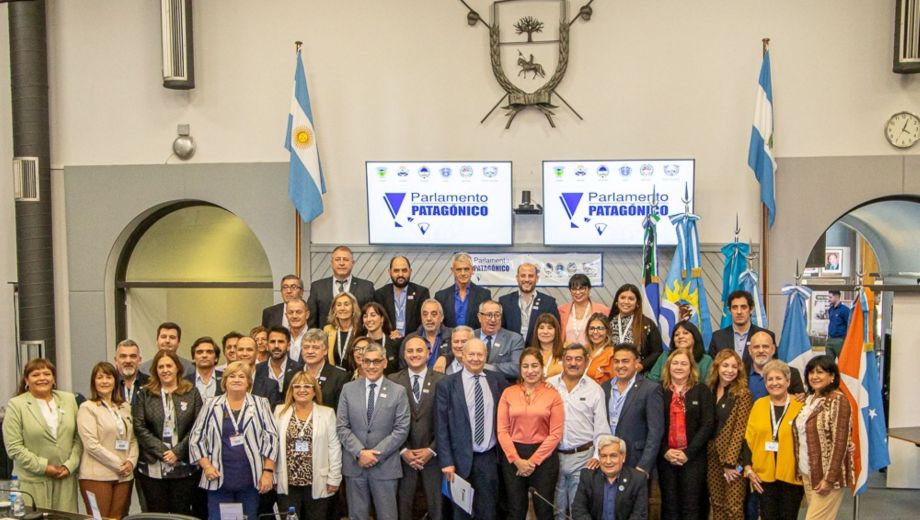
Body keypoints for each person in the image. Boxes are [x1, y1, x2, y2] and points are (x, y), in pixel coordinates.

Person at [189, 361, 278, 520]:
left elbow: (272, 438)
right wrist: (207, 466)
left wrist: (268, 472)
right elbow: (196, 438)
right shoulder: (211, 404)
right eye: (232, 376)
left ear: (248, 382)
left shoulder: (260, 403)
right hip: (218, 479)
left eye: (241, 376)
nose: (236, 379)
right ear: (225, 381)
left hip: (251, 480)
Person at [335, 343, 411, 520]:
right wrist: (360, 452)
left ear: (385, 363)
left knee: (387, 516)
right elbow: (342, 426)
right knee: (357, 516)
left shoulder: (398, 391)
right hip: (355, 465)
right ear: (361, 363)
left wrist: (375, 455)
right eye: (367, 361)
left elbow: (401, 429)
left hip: (385, 467)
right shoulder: (348, 389)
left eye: (376, 361)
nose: (371, 366)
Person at [436, 338, 509, 520]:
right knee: (460, 513)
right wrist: (446, 461)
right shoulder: (447, 384)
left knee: (488, 511)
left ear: (486, 356)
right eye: (471, 354)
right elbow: (441, 426)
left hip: (488, 459)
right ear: (462, 355)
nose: (475, 358)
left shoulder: (497, 381)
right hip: (458, 460)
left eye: (480, 354)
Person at [3, 358, 82, 511]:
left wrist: (69, 465)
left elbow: (79, 438)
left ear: (53, 379)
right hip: (31, 483)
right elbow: (14, 448)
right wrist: (44, 467)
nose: (42, 378)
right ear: (26, 379)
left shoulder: (69, 399)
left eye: (47, 374)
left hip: (65, 480)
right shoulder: (16, 405)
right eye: (35, 374)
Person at [132, 350, 203, 516]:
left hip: (184, 467)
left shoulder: (192, 393)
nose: (165, 370)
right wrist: (164, 452)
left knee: (182, 514)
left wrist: (177, 452)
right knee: (157, 515)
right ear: (155, 370)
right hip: (152, 467)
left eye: (169, 365)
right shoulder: (144, 393)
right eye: (160, 366)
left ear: (177, 367)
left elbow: (198, 427)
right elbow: (139, 427)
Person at [497, 347, 564, 520]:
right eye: (525, 366)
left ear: (542, 368)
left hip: (544, 457)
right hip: (513, 456)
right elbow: (502, 431)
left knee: (544, 509)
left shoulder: (553, 395)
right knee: (515, 509)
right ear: (520, 369)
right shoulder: (508, 393)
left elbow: (555, 433)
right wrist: (517, 460)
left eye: (535, 366)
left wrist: (532, 462)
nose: (530, 371)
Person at [547, 344, 609, 519]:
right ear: (562, 361)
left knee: (579, 510)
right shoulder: (549, 385)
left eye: (578, 359)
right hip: (553, 457)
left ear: (586, 361)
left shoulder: (595, 389)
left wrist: (597, 456)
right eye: (569, 359)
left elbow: (601, 427)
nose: (573, 363)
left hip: (583, 457)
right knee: (556, 509)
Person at [389, 336, 445, 520]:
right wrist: (403, 450)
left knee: (436, 509)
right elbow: (387, 421)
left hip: (433, 456)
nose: (415, 354)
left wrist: (432, 449)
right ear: (404, 355)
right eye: (410, 351)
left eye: (419, 350)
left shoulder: (442, 381)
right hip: (403, 456)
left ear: (429, 354)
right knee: (403, 508)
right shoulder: (392, 381)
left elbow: (447, 421)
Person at [792, 355, 854, 520]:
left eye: (820, 372)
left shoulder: (838, 400)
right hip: (807, 471)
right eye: (811, 372)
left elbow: (840, 443)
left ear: (832, 376)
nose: (815, 376)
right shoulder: (809, 400)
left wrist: (829, 479)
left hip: (826, 476)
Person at [275, 371, 342, 519]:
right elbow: (273, 446)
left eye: (307, 386)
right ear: (291, 391)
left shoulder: (327, 413)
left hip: (318, 481)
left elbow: (334, 448)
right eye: (297, 386)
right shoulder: (280, 412)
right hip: (288, 481)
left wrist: (334, 478)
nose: (302, 390)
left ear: (314, 391)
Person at [743, 359, 804, 520]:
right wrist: (748, 469)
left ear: (788, 381)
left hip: (792, 477)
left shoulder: (801, 407)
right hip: (763, 476)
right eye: (770, 379)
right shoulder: (758, 405)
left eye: (779, 378)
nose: (774, 383)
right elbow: (747, 441)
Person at [77, 362, 139, 520]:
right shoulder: (87, 408)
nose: (104, 381)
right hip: (97, 475)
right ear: (93, 382)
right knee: (99, 518)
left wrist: (131, 462)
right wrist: (118, 465)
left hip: (124, 475)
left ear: (115, 380)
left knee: (118, 517)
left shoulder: (124, 406)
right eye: (100, 377)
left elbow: (132, 439)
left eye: (108, 377)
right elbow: (91, 445)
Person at [657, 349, 714, 520]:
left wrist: (687, 453)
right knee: (669, 506)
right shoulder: (659, 391)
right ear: (668, 366)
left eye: (684, 363)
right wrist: (665, 451)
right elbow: (654, 425)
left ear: (691, 367)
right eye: (675, 363)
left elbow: (707, 425)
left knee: (691, 506)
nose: (679, 367)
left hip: (693, 458)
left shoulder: (701, 390)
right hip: (666, 458)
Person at [601, 344, 664, 479]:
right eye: (616, 361)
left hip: (636, 461)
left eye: (625, 361)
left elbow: (656, 431)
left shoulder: (650, 389)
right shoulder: (604, 388)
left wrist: (644, 465)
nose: (620, 365)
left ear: (636, 363)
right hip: (607, 460)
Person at [706, 349, 753, 520]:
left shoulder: (743, 394)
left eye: (734, 366)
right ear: (717, 367)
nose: (729, 370)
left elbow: (740, 430)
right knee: (717, 504)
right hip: (711, 456)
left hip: (734, 461)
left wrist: (729, 463)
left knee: (733, 507)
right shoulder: (709, 389)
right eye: (725, 365)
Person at [571, 435, 648, 520]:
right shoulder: (588, 476)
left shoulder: (637, 479)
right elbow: (578, 510)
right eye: (603, 456)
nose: (608, 461)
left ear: (623, 457)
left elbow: (639, 514)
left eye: (613, 456)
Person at [307, 245, 375, 328]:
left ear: (353, 263)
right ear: (332, 263)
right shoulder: (317, 287)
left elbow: (372, 317)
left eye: (346, 260)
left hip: (357, 338)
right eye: (337, 259)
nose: (342, 263)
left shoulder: (366, 287)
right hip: (326, 338)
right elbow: (311, 320)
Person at [709, 290, 774, 367]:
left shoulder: (766, 336)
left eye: (743, 307)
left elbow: (772, 367)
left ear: (751, 310)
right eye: (735, 308)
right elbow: (713, 368)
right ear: (730, 311)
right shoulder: (717, 337)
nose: (739, 312)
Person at [499, 263, 560, 345]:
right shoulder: (504, 301)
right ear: (517, 278)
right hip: (510, 352)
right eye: (523, 276)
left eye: (531, 276)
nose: (527, 279)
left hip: (539, 353)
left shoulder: (549, 303)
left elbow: (556, 330)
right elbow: (500, 331)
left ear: (537, 278)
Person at [608, 284, 663, 374]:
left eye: (631, 299)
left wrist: (642, 365)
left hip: (637, 374)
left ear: (637, 303)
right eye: (623, 297)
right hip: (611, 372)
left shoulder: (647, 324)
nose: (626, 302)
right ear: (616, 301)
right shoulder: (607, 323)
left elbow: (657, 352)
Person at [373, 255, 431, 339]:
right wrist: (390, 335)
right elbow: (378, 322)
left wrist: (410, 338)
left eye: (404, 270)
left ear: (410, 271)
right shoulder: (380, 294)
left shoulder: (421, 293)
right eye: (396, 271)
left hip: (414, 340)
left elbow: (424, 321)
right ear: (389, 272)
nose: (400, 274)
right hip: (388, 341)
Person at [293, 328, 349, 411]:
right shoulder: (291, 375)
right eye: (306, 347)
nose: (310, 351)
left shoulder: (340, 377)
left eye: (315, 348)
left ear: (325, 350)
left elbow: (341, 412)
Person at [434, 252, 492, 329]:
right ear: (452, 271)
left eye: (466, 269)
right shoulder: (441, 296)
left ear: (472, 270)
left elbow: (487, 322)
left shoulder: (484, 295)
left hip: (475, 339)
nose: (463, 273)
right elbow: (438, 324)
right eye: (458, 269)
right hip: (449, 339)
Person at [474, 299, 526, 380]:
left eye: (497, 315)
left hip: (502, 388)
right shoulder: (470, 336)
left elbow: (517, 368)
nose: (493, 319)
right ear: (479, 317)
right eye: (489, 315)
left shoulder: (514, 339)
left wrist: (486, 367)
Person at [747, 331, 806, 401]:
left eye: (765, 346)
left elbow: (800, 401)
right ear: (750, 350)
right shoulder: (740, 372)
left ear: (773, 349)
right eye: (756, 347)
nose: (761, 350)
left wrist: (803, 397)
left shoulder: (792, 373)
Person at [648, 321, 713, 383]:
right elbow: (652, 380)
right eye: (676, 335)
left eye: (685, 333)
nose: (680, 336)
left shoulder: (706, 360)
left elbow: (708, 385)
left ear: (695, 336)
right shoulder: (665, 356)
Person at [253, 326, 301, 409]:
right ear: (267, 346)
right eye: (272, 342)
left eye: (281, 342)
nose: (276, 346)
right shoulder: (257, 370)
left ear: (288, 346)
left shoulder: (298, 369)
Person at [400, 298, 452, 371]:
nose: (429, 318)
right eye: (425, 314)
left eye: (433, 314)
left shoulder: (452, 336)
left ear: (441, 317)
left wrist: (445, 357)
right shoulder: (410, 339)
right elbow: (403, 368)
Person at [559, 274, 609, 345]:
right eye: (574, 289)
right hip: (567, 355)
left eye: (581, 288)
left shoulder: (603, 310)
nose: (578, 292)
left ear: (589, 289)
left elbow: (608, 335)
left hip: (593, 354)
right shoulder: (561, 310)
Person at [323, 291, 362, 368]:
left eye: (346, 304)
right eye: (339, 305)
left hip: (355, 376)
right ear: (334, 310)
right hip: (334, 376)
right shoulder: (328, 330)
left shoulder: (361, 330)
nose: (342, 308)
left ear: (353, 308)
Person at [360, 301, 401, 375]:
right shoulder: (359, 344)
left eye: (373, 315)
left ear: (382, 319)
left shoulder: (394, 343)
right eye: (365, 316)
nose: (369, 319)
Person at [185, 336, 224, 401]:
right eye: (200, 352)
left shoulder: (226, 379)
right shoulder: (185, 382)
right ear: (193, 358)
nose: (204, 355)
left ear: (216, 358)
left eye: (209, 352)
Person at [114, 339, 148, 407]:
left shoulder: (150, 383)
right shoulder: (110, 384)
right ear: (116, 361)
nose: (128, 361)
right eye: (123, 356)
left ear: (140, 360)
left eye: (133, 356)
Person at [584, 313, 615, 385]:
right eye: (592, 328)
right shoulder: (583, 351)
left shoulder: (612, 354)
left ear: (607, 331)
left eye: (600, 328)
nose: (595, 332)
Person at [531, 312, 564, 378]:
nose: (545, 332)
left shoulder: (565, 353)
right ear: (536, 331)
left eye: (550, 328)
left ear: (556, 331)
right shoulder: (530, 354)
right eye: (541, 328)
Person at [824, 291, 850, 359]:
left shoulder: (845, 310)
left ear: (837, 297)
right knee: (828, 363)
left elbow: (849, 325)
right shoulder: (830, 310)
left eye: (830, 297)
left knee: (842, 362)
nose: (829, 299)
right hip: (830, 339)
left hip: (840, 340)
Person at [286, 297, 310, 362]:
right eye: (290, 312)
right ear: (286, 315)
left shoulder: (317, 336)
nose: (294, 316)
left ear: (307, 315)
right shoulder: (281, 337)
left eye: (298, 312)